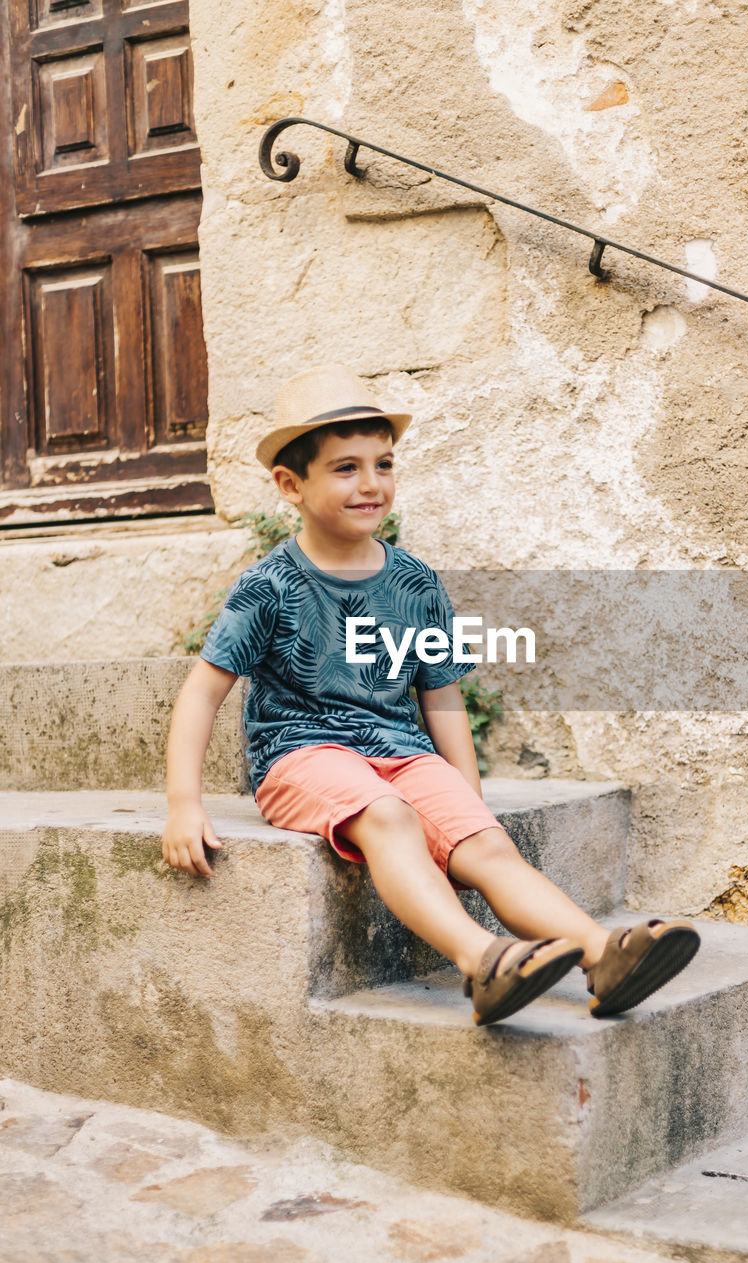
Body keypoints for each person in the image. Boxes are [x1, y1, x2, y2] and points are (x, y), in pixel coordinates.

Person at [162, 364, 700, 1025]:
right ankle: (483, 962)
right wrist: (184, 806)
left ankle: (599, 954)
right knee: (388, 816)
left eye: (383, 465)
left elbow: (439, 697)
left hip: (400, 750)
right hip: (303, 755)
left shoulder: (415, 584)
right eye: (345, 468)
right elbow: (201, 695)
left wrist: (464, 801)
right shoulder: (269, 587)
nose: (371, 484)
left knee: (485, 845)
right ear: (290, 484)